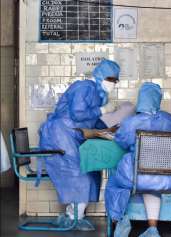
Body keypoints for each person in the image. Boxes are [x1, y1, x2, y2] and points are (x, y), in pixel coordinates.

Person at [38, 59, 120, 231]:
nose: (113, 83)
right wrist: (103, 111)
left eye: (116, 80)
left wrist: (108, 131)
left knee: (90, 170)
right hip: (59, 134)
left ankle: (73, 213)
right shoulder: (85, 87)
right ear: (100, 76)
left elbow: (92, 121)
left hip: (72, 135)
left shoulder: (98, 94)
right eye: (110, 79)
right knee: (78, 173)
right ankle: (74, 215)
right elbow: (78, 113)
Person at [105, 82, 171, 237]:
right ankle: (153, 228)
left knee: (115, 182)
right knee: (152, 186)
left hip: (139, 177)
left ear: (141, 99)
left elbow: (122, 141)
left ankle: (118, 220)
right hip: (168, 178)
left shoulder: (131, 122)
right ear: (158, 99)